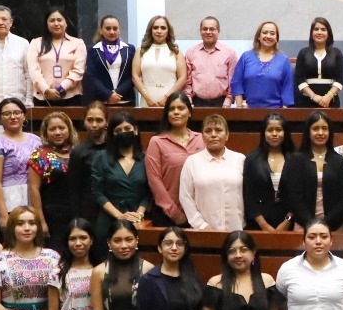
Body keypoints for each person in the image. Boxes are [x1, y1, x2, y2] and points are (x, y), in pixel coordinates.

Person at [281, 111, 343, 231]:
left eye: (324, 128)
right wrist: (311, 225)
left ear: (330, 132)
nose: (320, 133)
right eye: (315, 128)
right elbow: (293, 197)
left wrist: (325, 224)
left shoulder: (339, 160)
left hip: (334, 227)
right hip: (303, 226)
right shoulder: (296, 159)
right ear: (308, 132)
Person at [144, 92, 203, 226]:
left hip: (200, 214)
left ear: (190, 113)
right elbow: (155, 182)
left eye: (181, 108)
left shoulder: (201, 139)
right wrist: (174, 213)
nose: (176, 112)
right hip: (167, 216)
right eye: (171, 109)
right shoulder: (157, 142)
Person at [179, 114, 246, 231]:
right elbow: (185, 197)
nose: (213, 135)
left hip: (237, 230)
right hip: (203, 231)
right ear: (202, 137)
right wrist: (202, 225)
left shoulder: (240, 159)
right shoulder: (192, 162)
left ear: (227, 135)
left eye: (219, 130)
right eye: (208, 131)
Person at [92, 112, 150, 245]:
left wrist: (139, 213)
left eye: (127, 129)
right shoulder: (101, 158)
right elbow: (97, 192)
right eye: (118, 130)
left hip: (137, 220)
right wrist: (119, 216)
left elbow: (149, 192)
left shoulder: (147, 158)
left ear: (135, 130)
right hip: (109, 219)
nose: (123, 132)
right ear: (112, 134)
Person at [0, 97, 43, 228]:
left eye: (17, 112)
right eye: (7, 114)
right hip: (10, 201)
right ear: (0, 119)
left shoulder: (36, 140)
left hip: (35, 198)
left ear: (24, 116)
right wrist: (3, 215)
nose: (13, 117)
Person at [27, 111, 77, 254]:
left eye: (61, 128)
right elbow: (34, 190)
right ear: (45, 133)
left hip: (76, 213)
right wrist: (41, 221)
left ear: (69, 129)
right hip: (52, 215)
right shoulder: (39, 155)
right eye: (52, 129)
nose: (57, 132)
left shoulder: (78, 152)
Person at [243, 113, 295, 231]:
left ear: (285, 133)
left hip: (290, 225)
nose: (274, 134)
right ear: (263, 133)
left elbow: (299, 194)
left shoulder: (296, 159)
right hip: (258, 225)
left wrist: (288, 221)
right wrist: (264, 225)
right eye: (270, 130)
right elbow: (248, 195)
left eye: (279, 130)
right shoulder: (252, 159)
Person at [26, 8, 88, 105]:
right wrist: (46, 90)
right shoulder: (35, 43)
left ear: (66, 22)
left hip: (71, 97)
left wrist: (61, 88)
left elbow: (79, 70)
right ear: (46, 23)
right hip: (43, 97)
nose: (56, 23)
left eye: (59, 20)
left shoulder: (78, 43)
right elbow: (34, 71)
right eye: (52, 20)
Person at [68, 102, 111, 243]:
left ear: (106, 122)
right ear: (84, 122)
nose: (94, 124)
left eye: (99, 120)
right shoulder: (78, 152)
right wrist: (76, 219)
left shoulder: (115, 148)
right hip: (88, 210)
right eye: (90, 120)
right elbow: (73, 189)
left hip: (113, 207)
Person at [232, 20, 294, 108]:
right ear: (258, 36)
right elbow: (236, 82)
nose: (268, 36)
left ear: (276, 38)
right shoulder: (246, 57)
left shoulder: (283, 60)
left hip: (275, 115)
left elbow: (287, 88)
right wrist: (239, 107)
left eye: (272, 33)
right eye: (265, 33)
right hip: (248, 111)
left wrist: (283, 113)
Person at [132, 15, 187, 107]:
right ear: (150, 30)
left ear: (168, 31)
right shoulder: (140, 50)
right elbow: (135, 76)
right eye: (155, 27)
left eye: (163, 28)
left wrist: (166, 98)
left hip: (170, 100)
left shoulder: (176, 52)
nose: (159, 31)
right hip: (147, 100)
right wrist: (147, 98)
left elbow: (182, 78)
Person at [82, 14, 137, 105]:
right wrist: (108, 94)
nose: (112, 32)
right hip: (101, 100)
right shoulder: (93, 49)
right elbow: (92, 76)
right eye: (108, 28)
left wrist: (118, 92)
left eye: (115, 28)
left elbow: (133, 75)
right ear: (101, 30)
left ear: (119, 30)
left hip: (126, 98)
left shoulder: (129, 49)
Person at [294, 17, 343, 109]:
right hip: (306, 101)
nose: (319, 32)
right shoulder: (303, 53)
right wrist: (314, 97)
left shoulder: (336, 53)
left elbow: (340, 80)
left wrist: (328, 97)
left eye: (323, 29)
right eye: (316, 29)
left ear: (328, 33)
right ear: (311, 33)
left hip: (331, 102)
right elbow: (299, 79)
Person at [185, 16, 237, 107]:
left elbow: (233, 80)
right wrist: (188, 102)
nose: (208, 32)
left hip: (221, 103)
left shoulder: (230, 53)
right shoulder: (191, 53)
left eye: (212, 29)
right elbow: (187, 82)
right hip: (196, 103)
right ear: (200, 31)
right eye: (205, 29)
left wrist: (228, 101)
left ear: (218, 31)